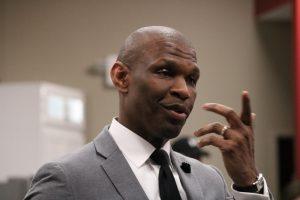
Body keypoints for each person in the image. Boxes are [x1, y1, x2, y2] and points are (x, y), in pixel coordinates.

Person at [24, 26, 273, 200]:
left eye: (192, 79)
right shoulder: (68, 179)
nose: (184, 90)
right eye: (165, 72)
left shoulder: (209, 180)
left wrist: (248, 180)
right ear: (121, 77)